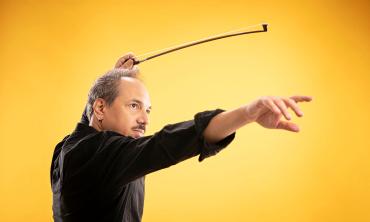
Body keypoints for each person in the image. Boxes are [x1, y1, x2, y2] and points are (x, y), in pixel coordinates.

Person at [50, 53, 313, 222]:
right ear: (100, 108)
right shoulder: (102, 154)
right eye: (134, 106)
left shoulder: (68, 147)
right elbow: (165, 144)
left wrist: (112, 80)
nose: (145, 119)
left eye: (147, 109)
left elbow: (89, 121)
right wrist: (247, 114)